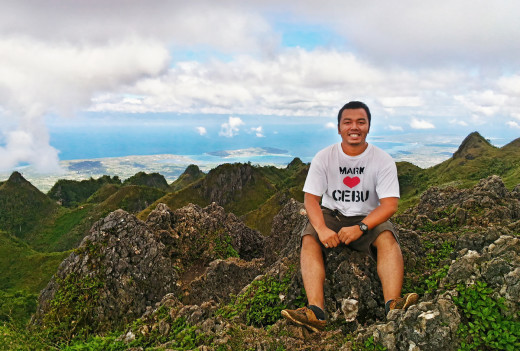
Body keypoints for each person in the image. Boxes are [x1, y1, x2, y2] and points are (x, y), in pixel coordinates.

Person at [281, 101, 418, 332]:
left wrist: (361, 228)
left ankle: (393, 305)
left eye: (360, 122)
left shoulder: (382, 160)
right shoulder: (324, 157)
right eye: (348, 122)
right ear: (339, 128)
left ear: (368, 127)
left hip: (368, 217)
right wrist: (323, 230)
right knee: (309, 238)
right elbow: (311, 199)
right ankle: (315, 312)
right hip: (332, 215)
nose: (354, 127)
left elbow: (390, 205)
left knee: (387, 237)